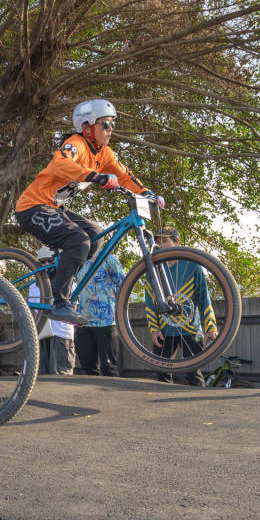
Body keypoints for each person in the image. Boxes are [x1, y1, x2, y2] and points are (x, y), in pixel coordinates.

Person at [15, 99, 157, 326]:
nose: (110, 130)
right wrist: (95, 176)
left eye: (113, 124)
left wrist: (147, 192)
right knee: (79, 241)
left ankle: (55, 279)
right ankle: (60, 302)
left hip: (54, 207)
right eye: (105, 125)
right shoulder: (76, 144)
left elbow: (125, 176)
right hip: (32, 207)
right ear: (87, 127)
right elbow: (60, 165)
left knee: (95, 236)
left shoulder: (106, 154)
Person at [145, 228, 217, 386]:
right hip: (164, 329)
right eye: (157, 242)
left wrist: (210, 326)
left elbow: (204, 299)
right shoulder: (154, 268)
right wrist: (154, 329)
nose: (160, 245)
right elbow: (150, 302)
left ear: (176, 242)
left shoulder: (193, 266)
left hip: (191, 328)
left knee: (193, 374)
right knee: (162, 374)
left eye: (164, 241)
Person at [74, 253, 125, 376]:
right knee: (87, 366)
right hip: (83, 321)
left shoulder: (109, 259)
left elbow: (123, 285)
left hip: (106, 321)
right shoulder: (80, 260)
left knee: (109, 368)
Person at [29, 247, 76, 375]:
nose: (46, 265)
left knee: (61, 378)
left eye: (49, 261)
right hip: (41, 334)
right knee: (40, 377)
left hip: (61, 333)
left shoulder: (68, 281)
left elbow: (73, 307)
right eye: (42, 262)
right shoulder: (33, 285)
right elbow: (33, 312)